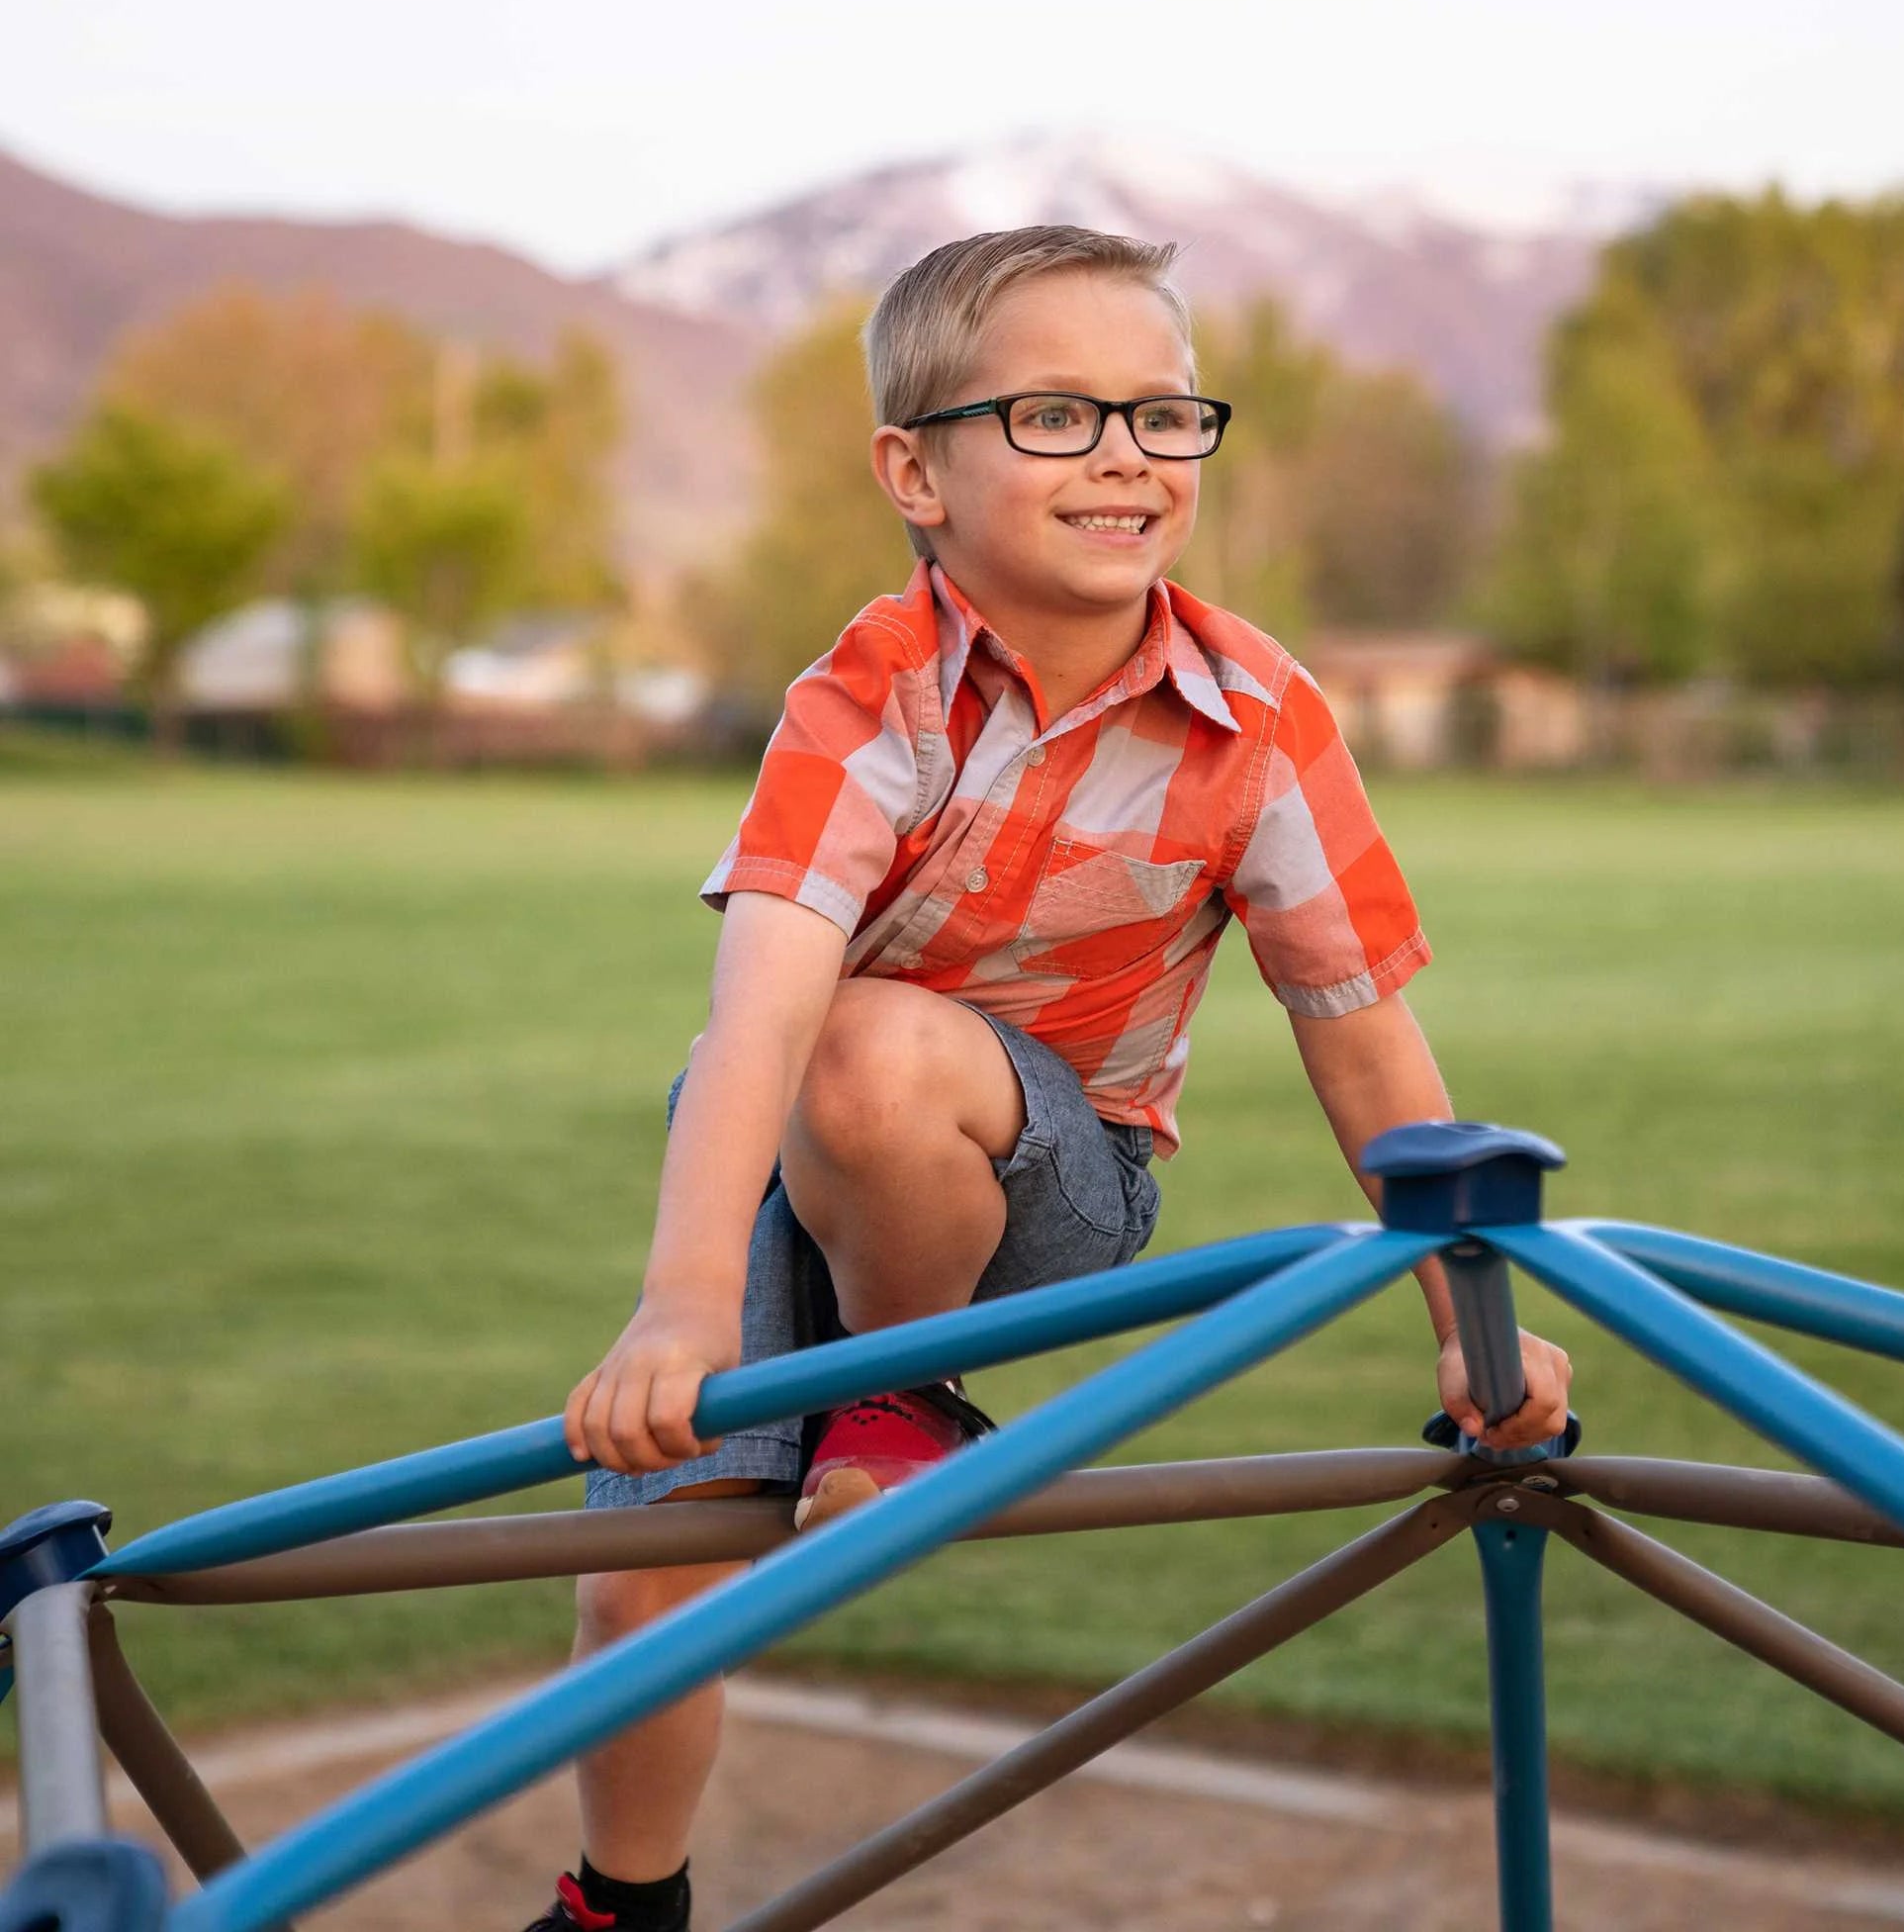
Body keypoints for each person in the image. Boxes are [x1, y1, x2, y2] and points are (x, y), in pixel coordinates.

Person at [524, 226, 1574, 1932]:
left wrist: (1470, 1321)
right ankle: (621, 1906)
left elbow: (1362, 1028)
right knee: (647, 1586)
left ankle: (909, 1394)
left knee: (876, 1044)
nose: (1127, 459)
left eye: (1165, 417)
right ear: (912, 472)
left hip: (1046, 1199)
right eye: (1059, 417)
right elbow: (758, 1013)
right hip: (810, 1153)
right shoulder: (862, 700)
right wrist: (681, 1306)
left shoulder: (1260, 717)